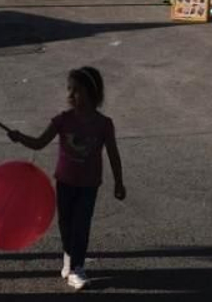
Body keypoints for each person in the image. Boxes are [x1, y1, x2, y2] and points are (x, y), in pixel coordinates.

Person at [7, 67, 125, 290]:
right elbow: (39, 143)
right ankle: (69, 258)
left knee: (81, 225)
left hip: (89, 185)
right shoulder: (63, 120)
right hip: (65, 182)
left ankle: (77, 269)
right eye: (69, 89)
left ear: (92, 93)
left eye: (77, 90)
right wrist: (19, 136)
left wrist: (119, 182)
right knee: (66, 224)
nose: (70, 95)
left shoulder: (103, 124)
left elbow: (113, 154)